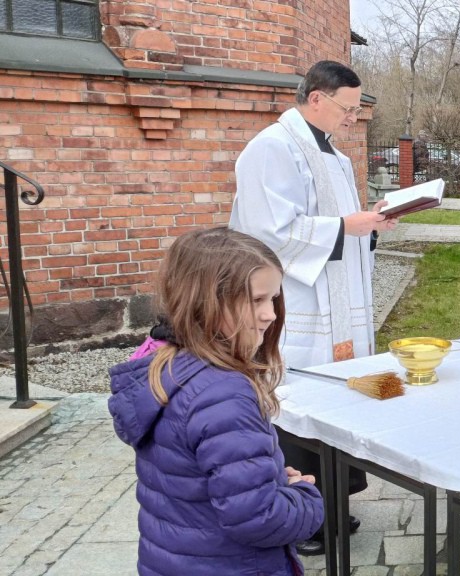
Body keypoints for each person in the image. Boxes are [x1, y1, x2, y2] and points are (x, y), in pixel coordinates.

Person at [229, 60, 386, 554]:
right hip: (296, 306)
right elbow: (268, 232)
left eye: (357, 110)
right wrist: (346, 228)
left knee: (340, 399)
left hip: (339, 304)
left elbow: (343, 225)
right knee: (298, 406)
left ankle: (335, 506)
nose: (352, 118)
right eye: (347, 108)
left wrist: (370, 229)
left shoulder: (336, 157)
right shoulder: (270, 149)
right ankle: (303, 520)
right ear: (316, 98)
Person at [107, 228, 324, 575]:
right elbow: (257, 518)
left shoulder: (166, 368)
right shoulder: (224, 393)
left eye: (274, 299)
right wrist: (303, 498)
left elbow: (196, 478)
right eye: (256, 300)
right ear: (206, 300)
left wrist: (267, 481)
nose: (269, 314)